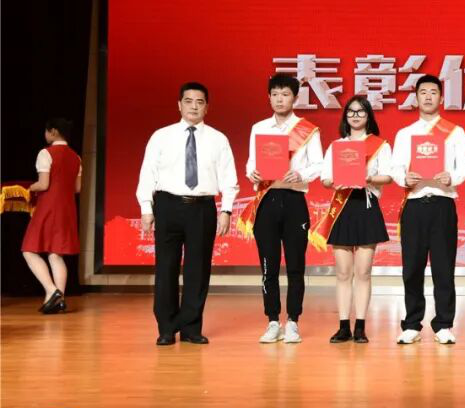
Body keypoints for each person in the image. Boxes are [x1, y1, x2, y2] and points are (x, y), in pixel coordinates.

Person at [136, 83, 238, 345]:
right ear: (179, 104)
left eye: (200, 102)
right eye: (189, 101)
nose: (194, 106)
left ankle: (191, 328)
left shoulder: (218, 139)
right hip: (168, 205)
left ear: (207, 107)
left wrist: (226, 209)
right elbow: (147, 173)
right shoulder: (161, 136)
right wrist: (146, 207)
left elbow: (229, 177)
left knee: (198, 269)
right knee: (166, 268)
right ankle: (166, 328)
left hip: (202, 207)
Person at [239, 74, 323, 345]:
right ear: (269, 97)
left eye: (285, 94)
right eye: (274, 94)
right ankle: (272, 320)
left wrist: (301, 175)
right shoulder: (259, 128)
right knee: (269, 265)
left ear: (295, 98)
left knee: (296, 265)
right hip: (267, 200)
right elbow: (251, 161)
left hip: (294, 200)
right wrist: (251, 172)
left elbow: (319, 165)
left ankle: (293, 321)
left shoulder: (308, 130)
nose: (279, 99)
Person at [390, 74, 465, 345]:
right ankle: (412, 324)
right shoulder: (405, 134)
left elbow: (464, 167)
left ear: (441, 98)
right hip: (414, 204)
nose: (428, 96)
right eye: (423, 92)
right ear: (416, 97)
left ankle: (444, 324)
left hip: (442, 203)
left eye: (433, 92)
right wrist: (404, 178)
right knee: (412, 267)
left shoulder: (455, 132)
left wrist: (452, 177)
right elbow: (395, 167)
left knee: (443, 267)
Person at [311, 95, 393, 344]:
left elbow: (388, 176)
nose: (355, 116)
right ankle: (343, 326)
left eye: (361, 112)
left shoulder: (380, 145)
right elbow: (325, 179)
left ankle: (360, 326)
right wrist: (335, 180)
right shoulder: (336, 146)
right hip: (343, 208)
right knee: (343, 273)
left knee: (363, 272)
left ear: (369, 116)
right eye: (351, 112)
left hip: (366, 206)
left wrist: (367, 177)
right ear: (345, 116)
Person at [22, 118, 82, 314]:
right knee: (56, 254)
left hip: (48, 207)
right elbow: (77, 188)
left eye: (46, 131)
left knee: (29, 250)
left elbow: (43, 184)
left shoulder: (45, 153)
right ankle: (59, 299)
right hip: (67, 209)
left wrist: (28, 188)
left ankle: (51, 290)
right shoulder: (76, 157)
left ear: (53, 132)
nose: (45, 134)